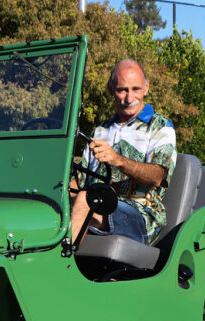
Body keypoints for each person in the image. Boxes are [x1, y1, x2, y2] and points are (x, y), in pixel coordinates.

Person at [71, 59, 177, 245]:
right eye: (122, 90)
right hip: (97, 205)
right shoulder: (100, 131)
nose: (129, 98)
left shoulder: (159, 126)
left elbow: (158, 176)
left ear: (146, 88)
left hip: (140, 215)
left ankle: (61, 266)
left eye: (135, 89)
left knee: (84, 199)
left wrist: (118, 160)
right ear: (110, 90)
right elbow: (79, 180)